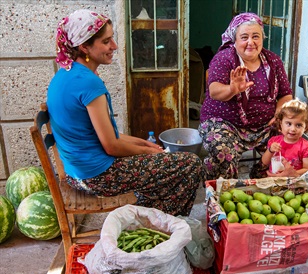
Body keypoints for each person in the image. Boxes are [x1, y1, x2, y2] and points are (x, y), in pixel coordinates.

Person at [47, 9, 204, 216]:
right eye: (106, 41)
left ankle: (151, 216)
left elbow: (101, 136)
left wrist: (143, 144)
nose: (114, 46)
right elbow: (111, 146)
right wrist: (148, 151)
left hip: (78, 173)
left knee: (162, 162)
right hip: (97, 177)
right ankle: (163, 226)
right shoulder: (88, 84)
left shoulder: (64, 75)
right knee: (191, 164)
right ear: (84, 46)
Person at [198, 12, 293, 180]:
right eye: (244, 37)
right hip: (225, 124)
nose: (251, 42)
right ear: (234, 40)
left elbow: (286, 95)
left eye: (256, 36)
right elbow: (214, 91)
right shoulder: (224, 59)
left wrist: (279, 114)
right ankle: (222, 193)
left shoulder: (274, 61)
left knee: (289, 148)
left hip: (265, 125)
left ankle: (261, 179)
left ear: (262, 38)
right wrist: (233, 89)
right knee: (223, 153)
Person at [250, 98, 308, 178]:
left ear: (306, 127)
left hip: (294, 181)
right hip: (274, 180)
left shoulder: (305, 147)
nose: (293, 129)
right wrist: (270, 150)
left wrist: (291, 174)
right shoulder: (274, 141)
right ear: (281, 124)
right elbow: (265, 162)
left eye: (298, 125)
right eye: (289, 124)